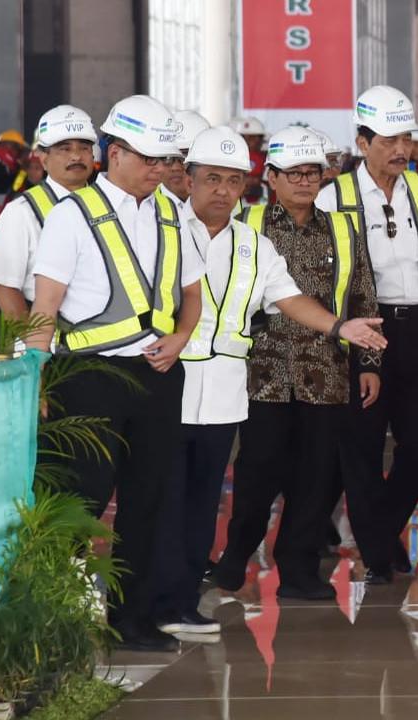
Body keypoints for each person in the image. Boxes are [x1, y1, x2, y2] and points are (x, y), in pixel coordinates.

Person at [157, 127, 386, 630]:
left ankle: (295, 569)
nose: (304, 181)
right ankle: (228, 562)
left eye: (313, 173)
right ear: (272, 179)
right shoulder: (240, 223)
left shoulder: (334, 230)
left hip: (321, 371)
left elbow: (349, 292)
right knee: (251, 476)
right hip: (257, 373)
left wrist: (359, 351)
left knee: (314, 477)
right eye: (294, 173)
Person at [28, 95, 206, 652]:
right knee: (78, 500)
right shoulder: (71, 215)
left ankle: (131, 619)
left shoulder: (173, 213)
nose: (159, 169)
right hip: (88, 377)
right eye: (149, 158)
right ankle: (56, 620)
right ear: (115, 151)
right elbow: (44, 308)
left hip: (158, 375)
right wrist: (35, 381)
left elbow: (193, 294)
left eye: (166, 160)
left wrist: (181, 338)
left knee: (148, 500)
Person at [316, 85, 418, 583]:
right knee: (359, 446)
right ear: (362, 143)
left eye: (406, 139)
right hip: (360, 329)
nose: (402, 150)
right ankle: (380, 556)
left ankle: (379, 534)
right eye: (388, 140)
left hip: (417, 327)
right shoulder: (333, 196)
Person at [0, 105, 98, 318]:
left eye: (84, 148)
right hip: (50, 333)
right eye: (65, 149)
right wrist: (32, 336)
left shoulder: (108, 204)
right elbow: (4, 287)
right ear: (43, 158)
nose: (76, 156)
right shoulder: (21, 212)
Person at [159, 110, 211, 205]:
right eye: (168, 157)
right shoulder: (141, 206)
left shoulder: (230, 203)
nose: (175, 168)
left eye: (185, 156)